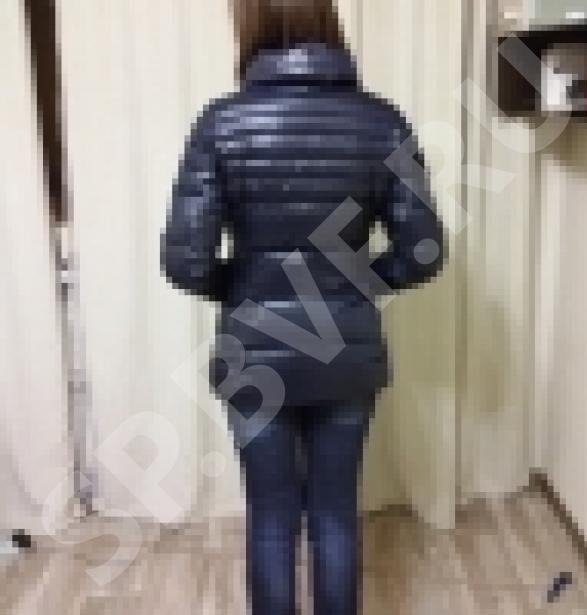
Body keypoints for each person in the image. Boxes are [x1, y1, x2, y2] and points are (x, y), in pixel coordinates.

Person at [160, 1, 446, 612]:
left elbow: (185, 261)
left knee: (271, 519)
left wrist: (246, 289)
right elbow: (423, 251)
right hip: (346, 350)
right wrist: (353, 281)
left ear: (250, 25)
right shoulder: (381, 123)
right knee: (336, 513)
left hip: (253, 351)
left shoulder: (221, 124)